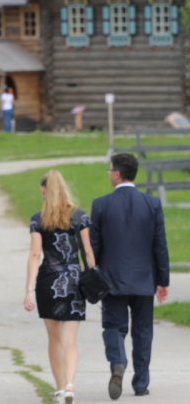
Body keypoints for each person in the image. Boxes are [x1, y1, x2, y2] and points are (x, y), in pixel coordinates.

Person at [90, 153, 170, 400]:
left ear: (117, 174)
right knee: (143, 332)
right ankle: (141, 384)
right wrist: (163, 280)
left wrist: (92, 275)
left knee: (113, 326)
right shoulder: (152, 203)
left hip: (112, 280)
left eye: (110, 171)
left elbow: (94, 246)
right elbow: (160, 245)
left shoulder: (101, 205)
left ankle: (118, 361)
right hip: (144, 280)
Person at [24, 170, 96, 404]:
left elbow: (35, 255)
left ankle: (59, 387)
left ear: (45, 190)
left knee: (54, 339)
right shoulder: (79, 216)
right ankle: (70, 385)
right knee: (70, 340)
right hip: (74, 281)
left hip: (48, 283)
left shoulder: (38, 219)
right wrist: (94, 278)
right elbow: (87, 251)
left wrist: (28, 289)